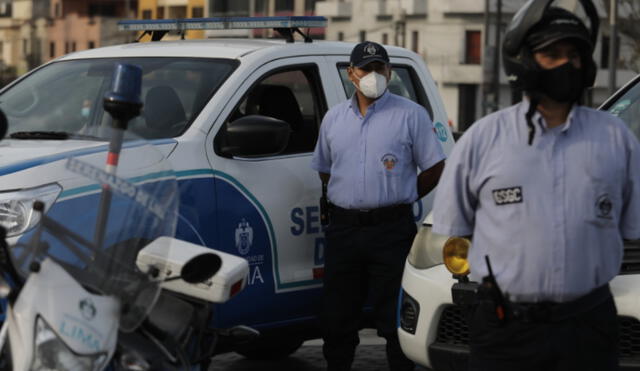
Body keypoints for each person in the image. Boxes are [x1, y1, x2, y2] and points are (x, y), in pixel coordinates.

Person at [432, 2, 640, 371]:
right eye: (551, 54)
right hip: (504, 332)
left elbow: (630, 227)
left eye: (573, 55)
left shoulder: (616, 138)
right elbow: (456, 228)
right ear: (525, 61)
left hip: (588, 326)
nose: (565, 64)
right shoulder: (481, 141)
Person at [311, 41, 446, 371]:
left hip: (391, 230)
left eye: (380, 68)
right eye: (366, 69)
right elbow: (326, 169)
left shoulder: (411, 114)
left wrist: (402, 195)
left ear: (389, 71)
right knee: (338, 316)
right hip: (343, 230)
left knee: (393, 317)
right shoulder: (333, 119)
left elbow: (435, 166)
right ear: (351, 74)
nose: (374, 75)